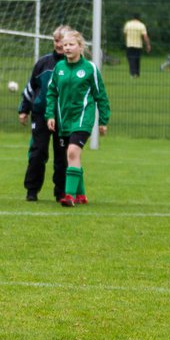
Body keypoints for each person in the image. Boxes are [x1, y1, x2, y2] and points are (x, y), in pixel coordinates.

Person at [46, 29, 110, 207]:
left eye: (71, 45)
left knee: (72, 152)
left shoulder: (90, 69)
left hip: (83, 118)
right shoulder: (59, 68)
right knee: (72, 157)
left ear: (80, 47)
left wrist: (103, 120)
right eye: (65, 45)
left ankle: (69, 195)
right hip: (64, 119)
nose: (66, 48)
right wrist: (50, 114)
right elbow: (51, 93)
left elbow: (101, 96)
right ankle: (81, 195)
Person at [18, 26, 70, 202]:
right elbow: (31, 87)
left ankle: (61, 192)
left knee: (62, 155)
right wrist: (24, 109)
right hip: (41, 114)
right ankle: (31, 190)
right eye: (56, 41)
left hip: (64, 116)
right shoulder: (43, 63)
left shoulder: (75, 65)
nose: (59, 44)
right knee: (38, 152)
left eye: (62, 40)